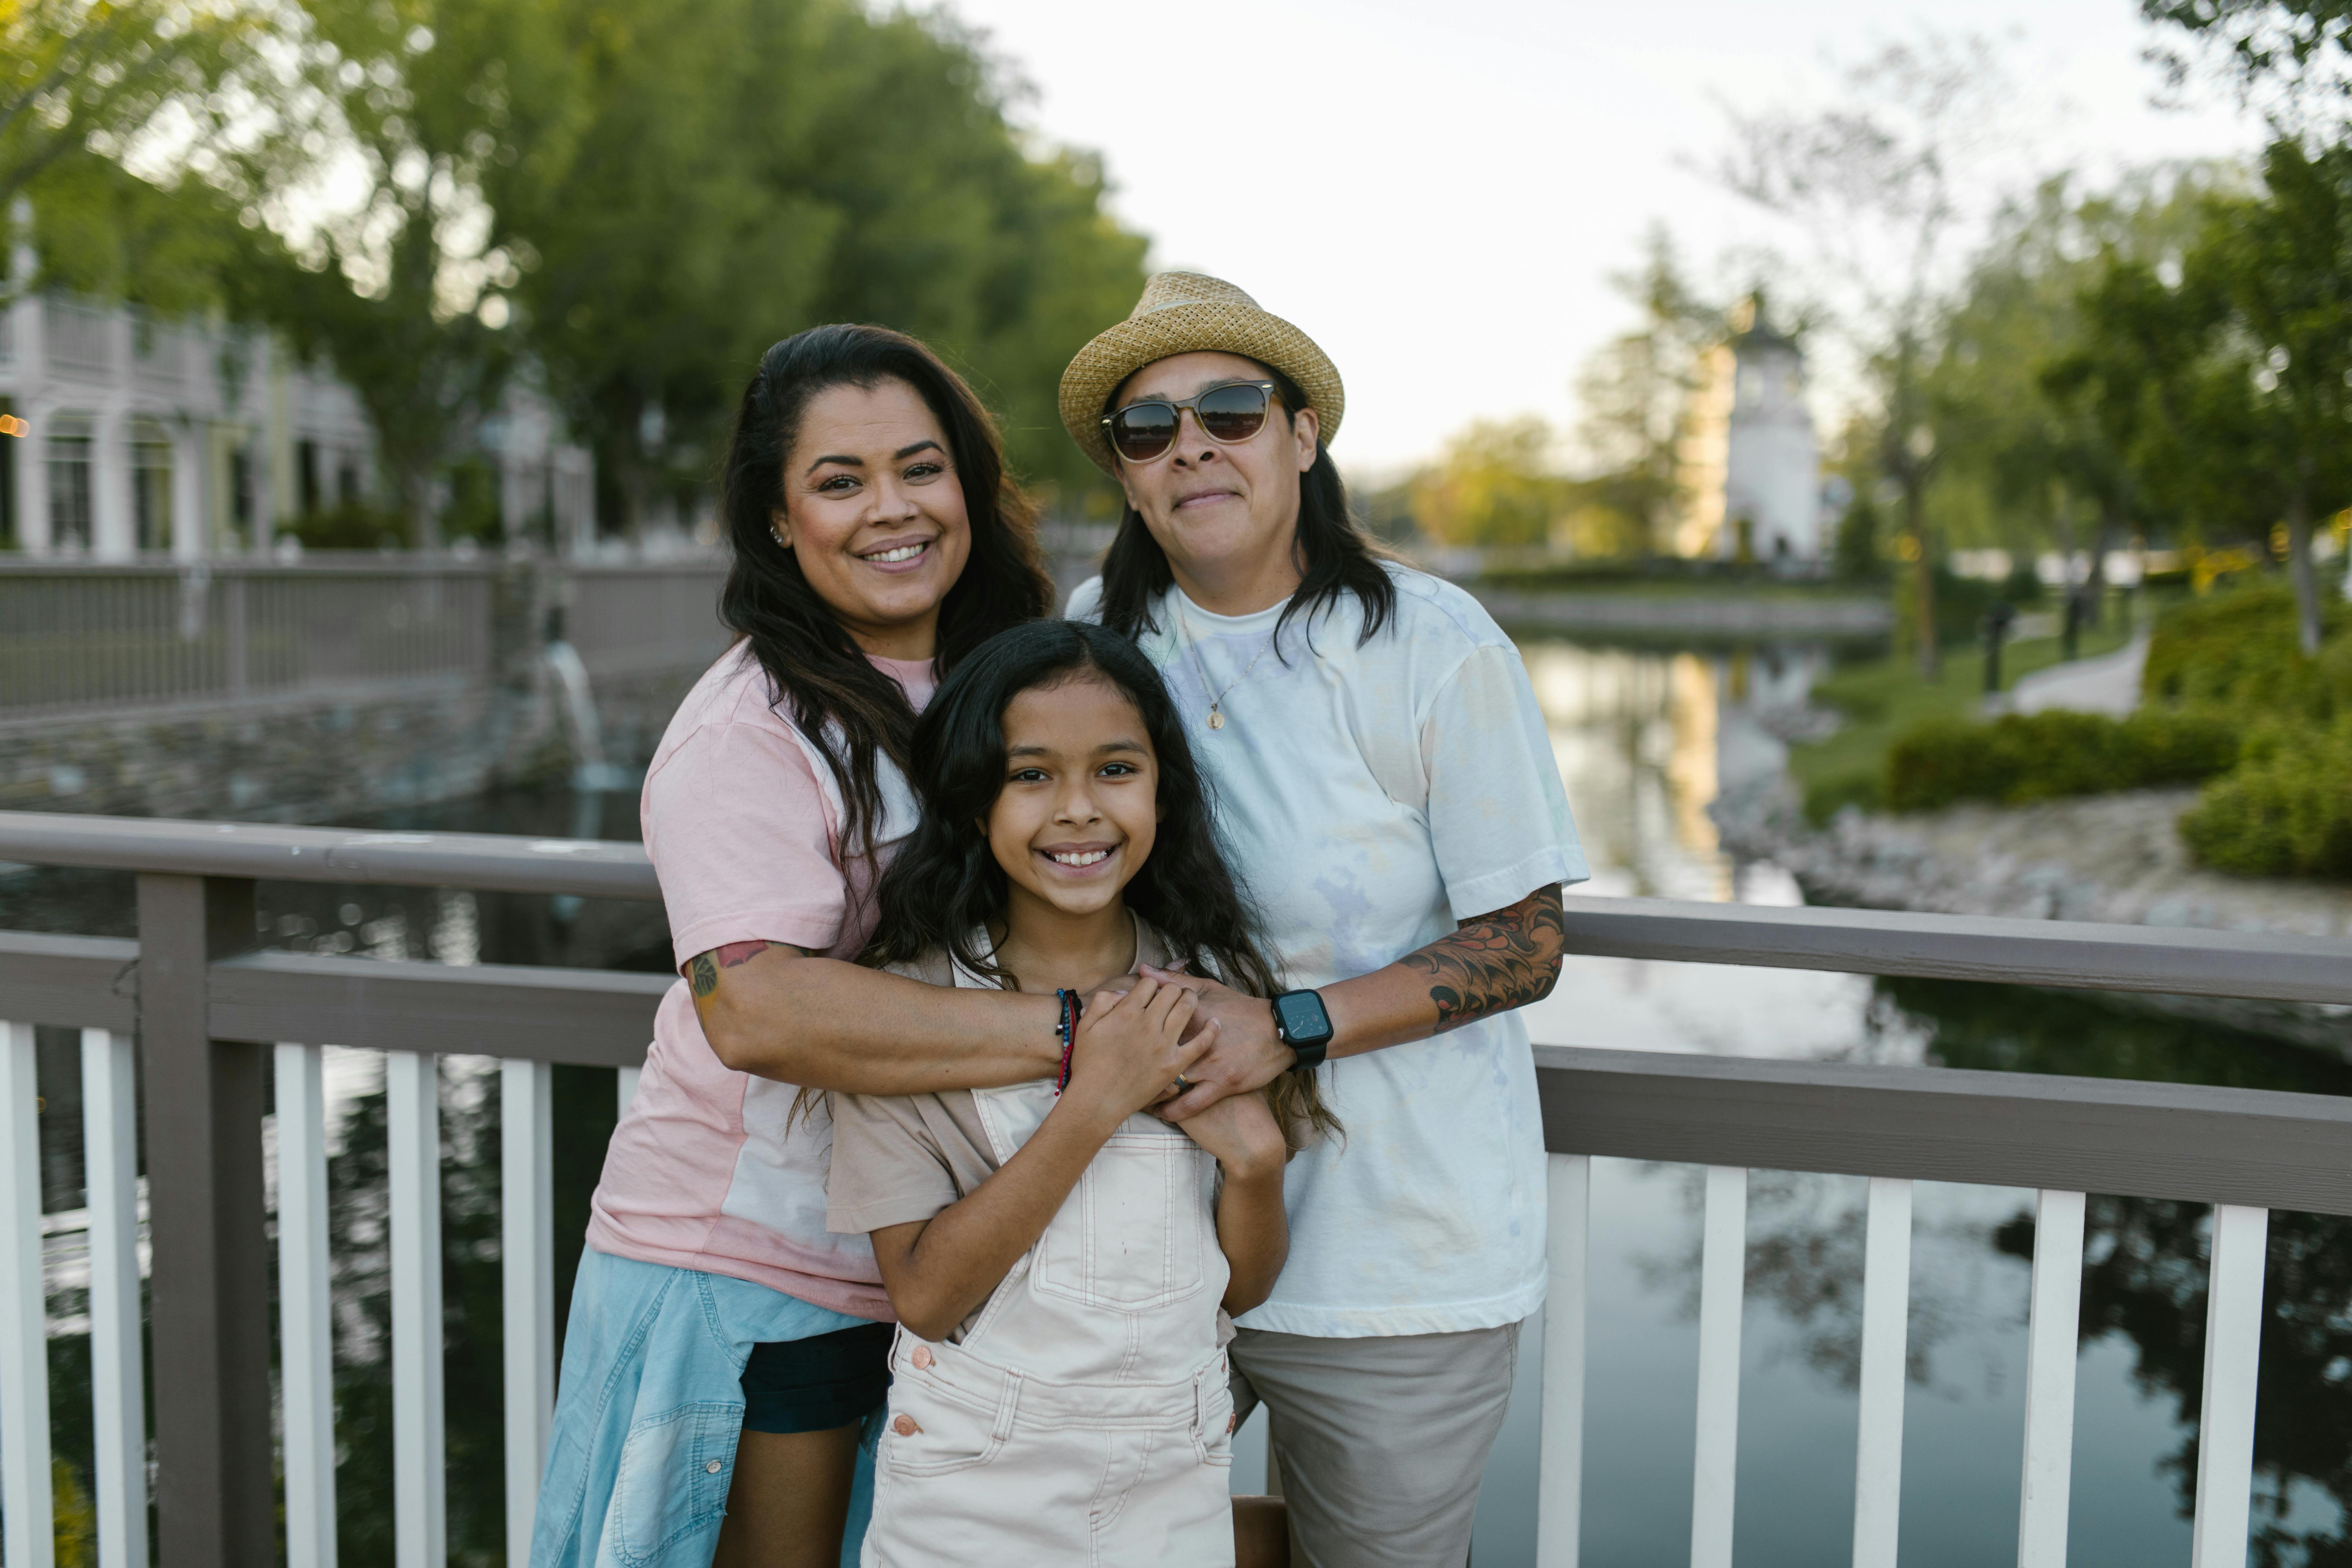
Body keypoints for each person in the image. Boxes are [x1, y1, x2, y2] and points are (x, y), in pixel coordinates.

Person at [533, 325, 1096, 1568]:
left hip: (927, 1265)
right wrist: (1083, 1043)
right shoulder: (752, 724)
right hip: (737, 1271)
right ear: (780, 521)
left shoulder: (988, 687)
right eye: (839, 483)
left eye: (921, 468)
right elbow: (758, 1013)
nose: (891, 510)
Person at [1059, 274, 1590, 1567]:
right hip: (1146, 1233)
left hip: (1398, 1265)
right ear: (1129, 478)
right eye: (1148, 427)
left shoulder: (1431, 643)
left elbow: (1527, 942)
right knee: (1092, 1547)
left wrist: (1288, 1027)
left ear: (1302, 436)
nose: (1192, 444)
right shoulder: (1091, 640)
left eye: (1231, 411)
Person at [824, 619, 1333, 1568]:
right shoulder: (909, 1010)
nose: (1078, 810)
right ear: (973, 801)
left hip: (1174, 1480)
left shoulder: (1218, 992)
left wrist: (1257, 1165)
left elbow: (1242, 1288)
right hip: (976, 1490)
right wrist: (1095, 1101)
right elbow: (929, 1297)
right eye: (1030, 776)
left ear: (1162, 792)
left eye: (1115, 770)